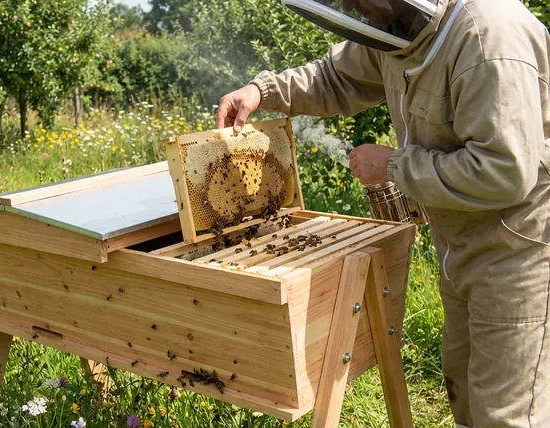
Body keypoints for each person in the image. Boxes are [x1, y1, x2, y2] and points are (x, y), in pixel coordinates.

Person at [216, 0, 550, 427]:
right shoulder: (395, 24)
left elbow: (505, 172)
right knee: (466, 392)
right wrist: (263, 91)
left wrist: (395, 165)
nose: (351, 6)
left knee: (507, 412)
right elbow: (335, 77)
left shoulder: (489, 38)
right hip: (459, 245)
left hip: (518, 251)